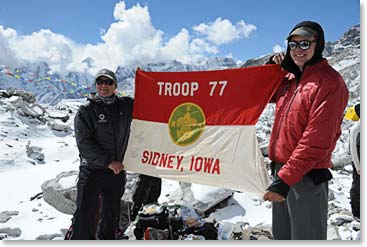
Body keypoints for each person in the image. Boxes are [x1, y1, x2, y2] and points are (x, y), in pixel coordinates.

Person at [263, 21, 349, 240]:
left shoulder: (330, 82)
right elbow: (260, 94)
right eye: (293, 45)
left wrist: (285, 179)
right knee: (283, 237)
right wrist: (271, 69)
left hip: (305, 176)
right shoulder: (289, 81)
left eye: (305, 44)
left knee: (306, 238)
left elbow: (317, 141)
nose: (298, 50)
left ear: (317, 45)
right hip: (282, 171)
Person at [67, 69, 134, 240]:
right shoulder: (86, 110)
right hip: (92, 171)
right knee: (85, 216)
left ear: (115, 85)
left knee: (111, 216)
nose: (104, 85)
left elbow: (150, 103)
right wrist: (108, 162)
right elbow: (84, 143)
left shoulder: (125, 106)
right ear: (96, 85)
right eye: (100, 82)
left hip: (116, 172)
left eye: (108, 82)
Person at [345, 103, 360, 219]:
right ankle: (357, 213)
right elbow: (353, 149)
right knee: (357, 188)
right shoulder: (356, 128)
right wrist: (358, 166)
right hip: (359, 163)